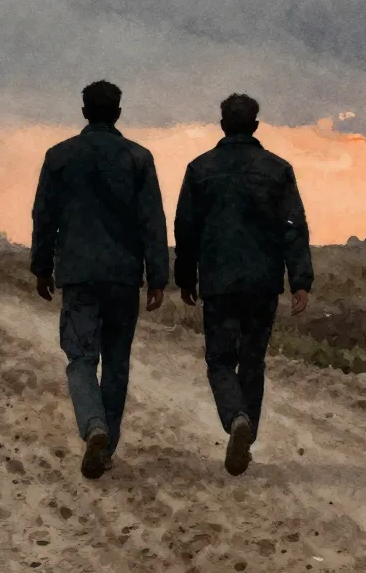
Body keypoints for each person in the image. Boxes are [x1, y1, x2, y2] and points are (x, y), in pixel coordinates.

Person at [30, 80, 170, 480]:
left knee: (80, 359)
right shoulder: (138, 158)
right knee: (117, 362)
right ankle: (106, 447)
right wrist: (158, 276)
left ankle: (94, 425)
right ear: (119, 113)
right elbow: (152, 221)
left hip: (78, 275)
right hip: (124, 276)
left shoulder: (59, 156)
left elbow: (44, 216)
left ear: (84, 112)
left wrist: (42, 267)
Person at [173, 93, 314, 476]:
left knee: (220, 360)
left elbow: (186, 228)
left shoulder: (200, 168)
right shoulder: (278, 169)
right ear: (255, 125)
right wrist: (300, 281)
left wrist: (185, 277)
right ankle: (245, 437)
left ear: (223, 125)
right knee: (253, 361)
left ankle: (236, 418)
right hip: (263, 283)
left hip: (218, 282)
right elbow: (293, 228)